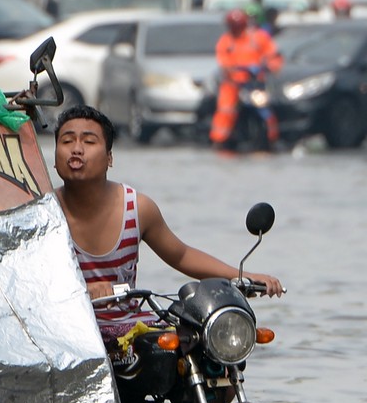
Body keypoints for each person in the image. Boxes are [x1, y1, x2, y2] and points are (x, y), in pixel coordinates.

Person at [53, 105, 283, 346]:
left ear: (109, 158)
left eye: (89, 142)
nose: (77, 149)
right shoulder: (44, 213)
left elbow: (181, 255)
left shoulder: (137, 208)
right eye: (67, 141)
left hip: (131, 329)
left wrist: (243, 277)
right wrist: (83, 289)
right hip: (69, 335)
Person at [209, 8, 283, 148]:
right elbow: (223, 61)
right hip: (233, 84)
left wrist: (271, 66)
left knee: (266, 107)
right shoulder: (226, 41)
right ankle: (219, 139)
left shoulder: (258, 37)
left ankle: (272, 137)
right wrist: (230, 69)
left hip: (254, 83)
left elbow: (272, 54)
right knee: (226, 108)